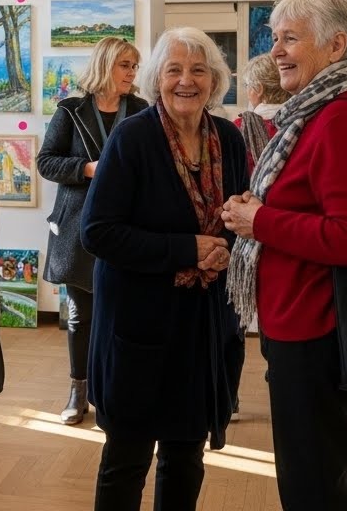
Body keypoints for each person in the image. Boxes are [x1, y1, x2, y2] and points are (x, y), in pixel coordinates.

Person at [221, 0, 347, 511]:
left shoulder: (339, 118)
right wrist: (263, 209)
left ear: (337, 44)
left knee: (312, 482)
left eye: (290, 39)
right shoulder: (323, 110)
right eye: (275, 38)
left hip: (318, 326)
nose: (276, 50)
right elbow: (319, 209)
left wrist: (261, 220)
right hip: (312, 321)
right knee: (333, 471)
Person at [79, 27, 249, 510]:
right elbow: (98, 231)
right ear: (157, 79)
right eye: (174, 69)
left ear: (214, 80)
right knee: (127, 457)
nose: (186, 81)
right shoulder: (132, 139)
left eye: (198, 70)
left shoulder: (230, 140)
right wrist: (187, 249)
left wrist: (225, 247)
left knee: (185, 454)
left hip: (201, 325)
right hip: (138, 324)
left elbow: (238, 213)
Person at [36, 36, 147, 426]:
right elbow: (46, 163)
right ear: (105, 65)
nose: (133, 73)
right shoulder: (70, 110)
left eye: (134, 65)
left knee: (121, 313)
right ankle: (78, 390)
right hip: (78, 226)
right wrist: (87, 169)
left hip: (127, 225)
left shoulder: (141, 109)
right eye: (125, 65)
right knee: (81, 314)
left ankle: (112, 389)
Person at [225, 51, 291, 422]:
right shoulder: (297, 125)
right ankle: (280, 379)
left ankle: (230, 399)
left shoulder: (238, 126)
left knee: (234, 318)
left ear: (259, 90)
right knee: (275, 316)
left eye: (249, 86)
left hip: (244, 232)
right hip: (284, 231)